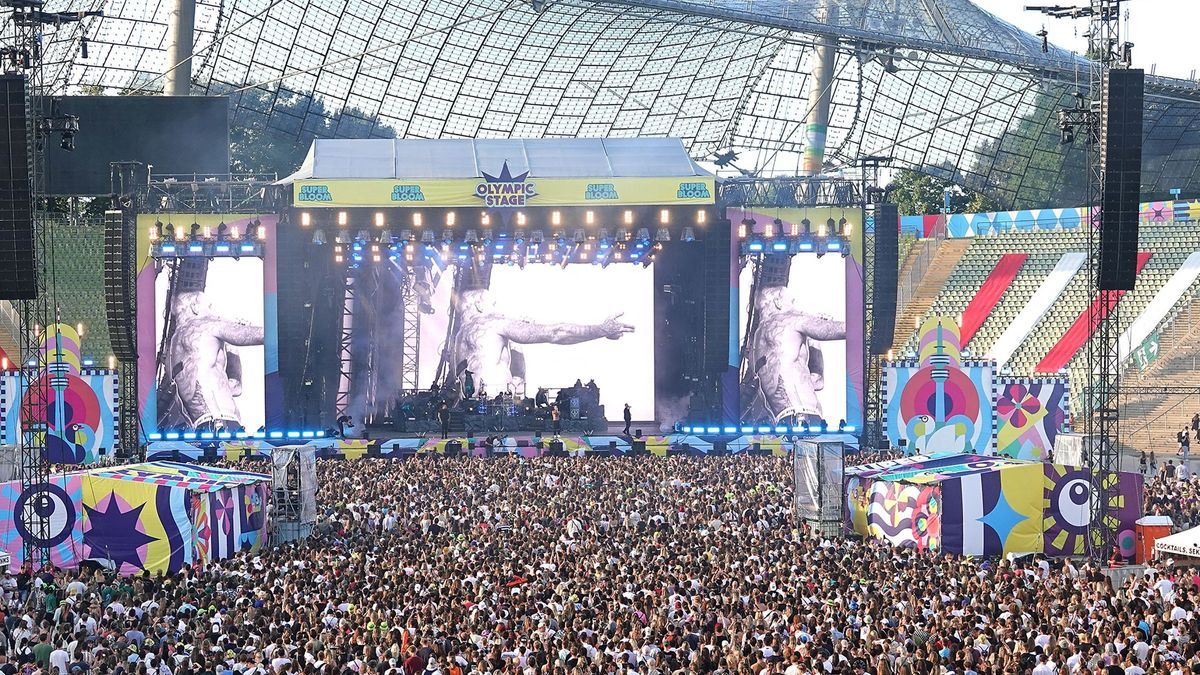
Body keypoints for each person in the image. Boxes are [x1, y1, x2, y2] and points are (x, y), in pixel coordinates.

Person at [450, 287, 633, 401]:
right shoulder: (493, 323)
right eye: (493, 304)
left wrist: (515, 335)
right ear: (480, 306)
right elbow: (556, 333)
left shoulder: (461, 334)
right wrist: (602, 329)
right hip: (495, 403)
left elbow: (487, 360)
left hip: (471, 403)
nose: (497, 309)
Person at [156, 259, 265, 432]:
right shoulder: (202, 325)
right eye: (209, 306)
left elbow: (234, 388)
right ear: (195, 307)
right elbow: (256, 335)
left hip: (201, 425)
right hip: (222, 421)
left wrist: (229, 346)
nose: (213, 311)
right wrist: (284, 331)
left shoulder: (171, 352)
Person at [741, 256, 846, 425]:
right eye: (791, 302)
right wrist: (865, 323)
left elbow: (817, 382)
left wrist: (811, 339)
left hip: (781, 419)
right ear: (778, 302)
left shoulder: (755, 346)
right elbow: (836, 330)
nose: (795, 306)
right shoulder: (787, 320)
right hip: (803, 415)